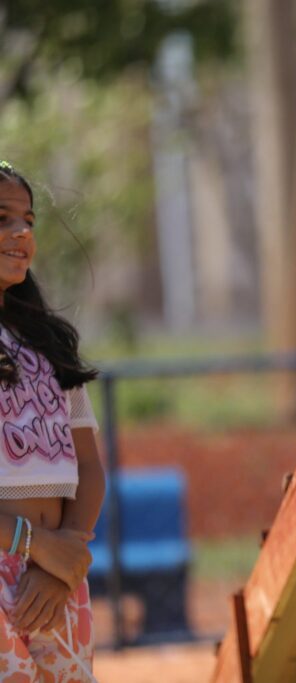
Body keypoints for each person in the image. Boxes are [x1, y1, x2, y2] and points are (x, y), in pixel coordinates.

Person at [0, 160, 103, 682]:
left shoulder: (50, 346)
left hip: (57, 575)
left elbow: (90, 467)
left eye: (29, 221)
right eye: (2, 218)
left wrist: (64, 562)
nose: (21, 233)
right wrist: (36, 545)